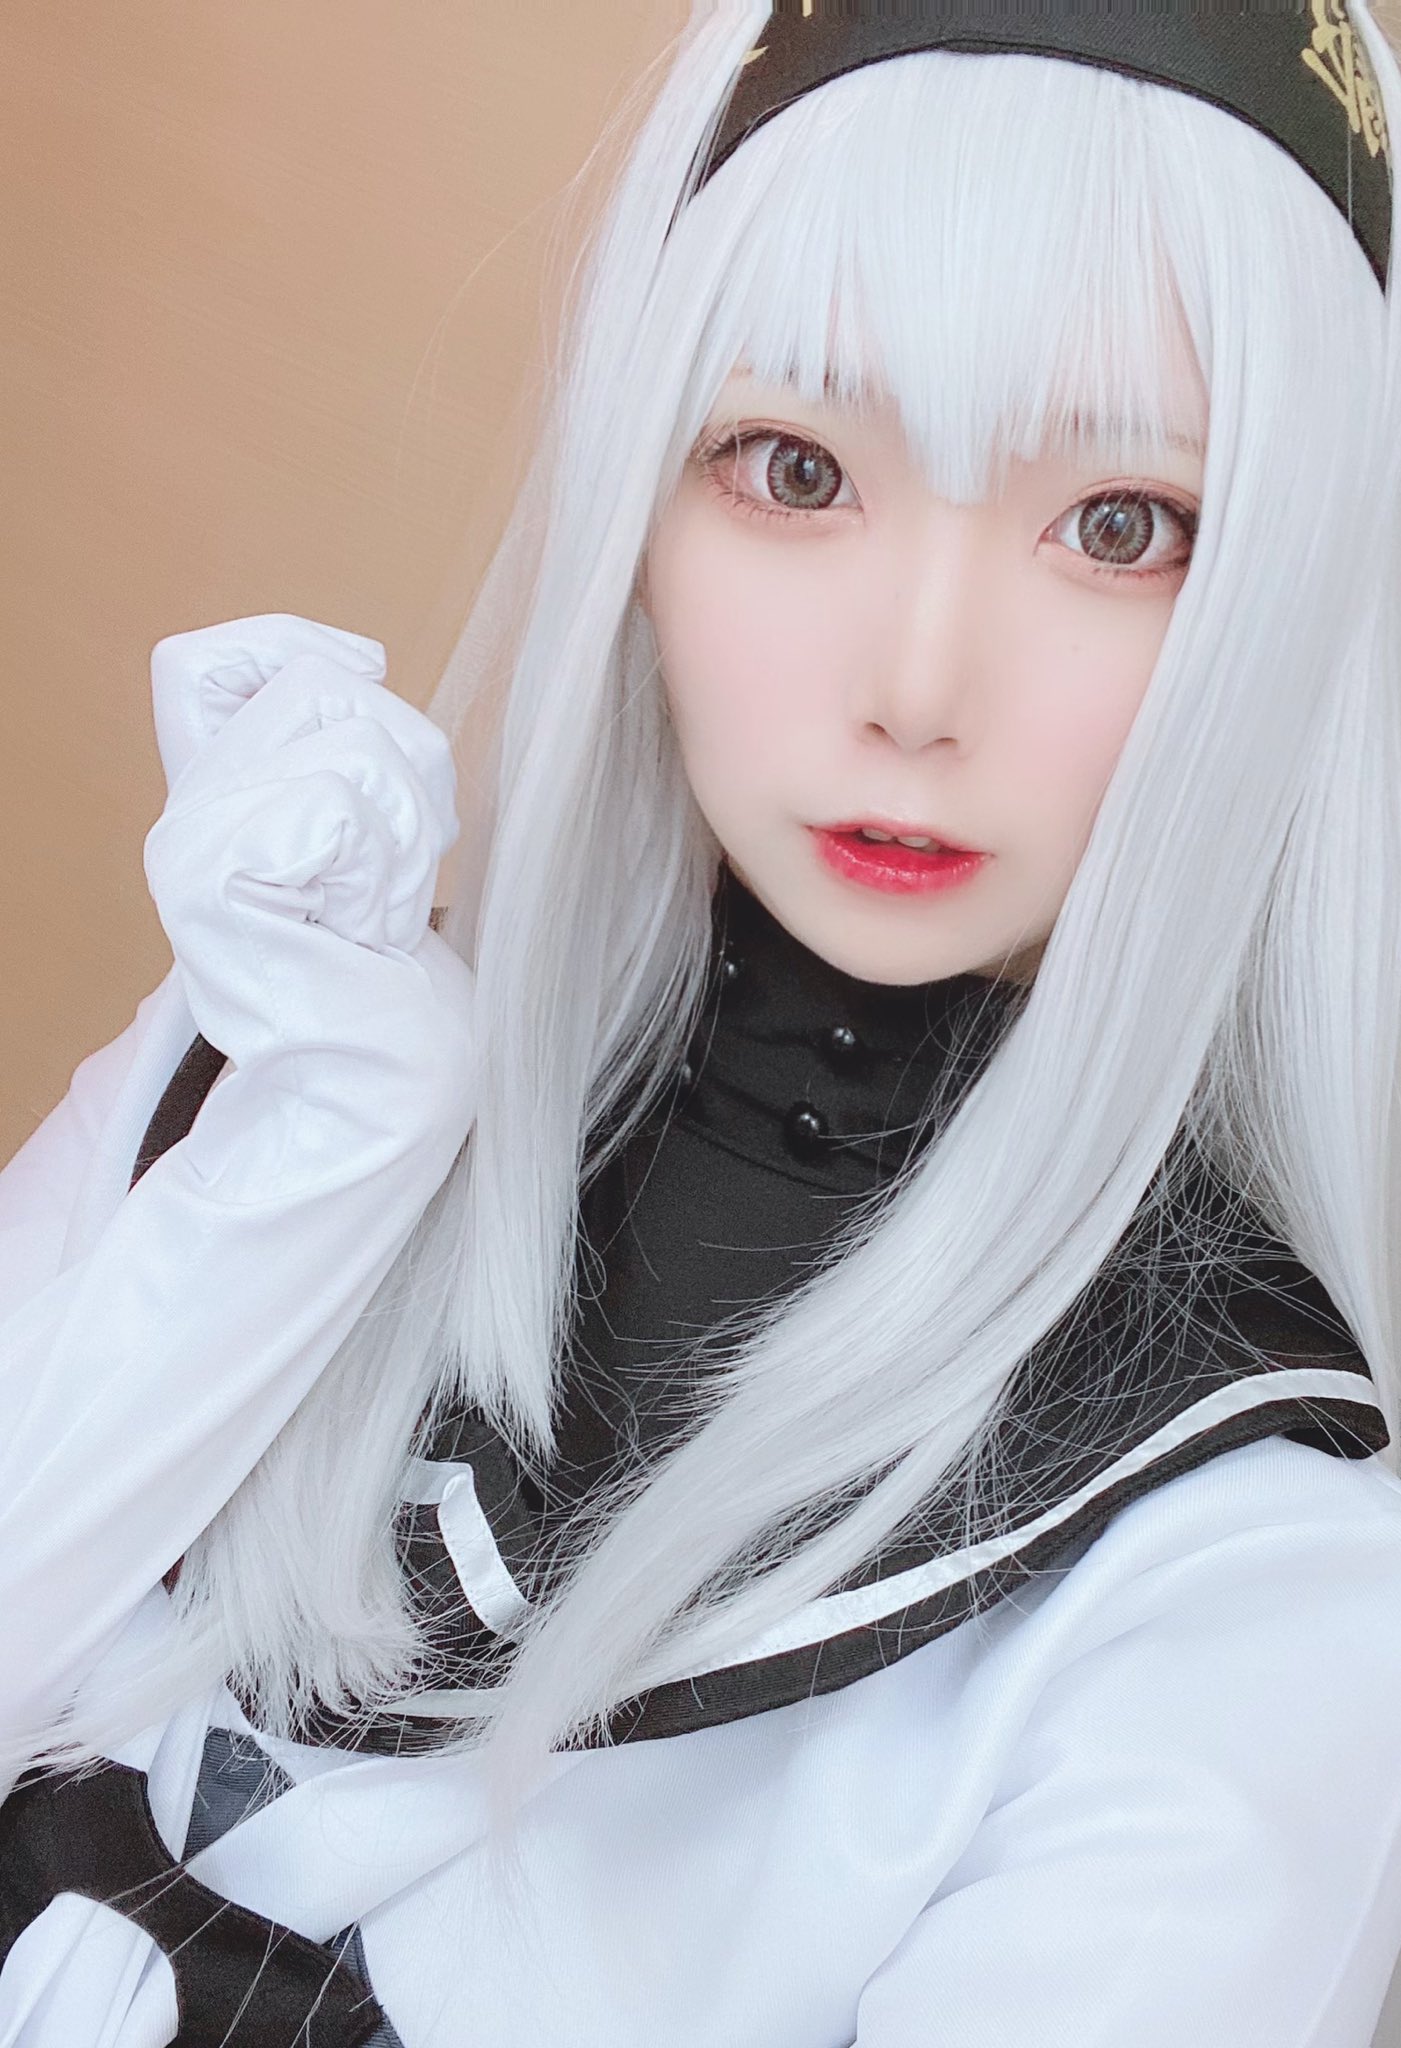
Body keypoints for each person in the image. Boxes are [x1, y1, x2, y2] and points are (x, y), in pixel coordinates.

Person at [3, 3, 1401, 2042]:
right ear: (638, 499)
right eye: (795, 469)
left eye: (1118, 525)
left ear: (1287, 593)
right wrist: (296, 1165)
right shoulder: (281, 1068)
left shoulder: (1239, 1583)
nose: (914, 685)